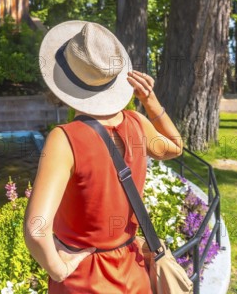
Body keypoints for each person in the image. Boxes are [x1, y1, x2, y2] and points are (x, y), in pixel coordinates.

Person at [24, 21, 183, 293]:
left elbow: (36, 231)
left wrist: (59, 270)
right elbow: (175, 147)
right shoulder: (136, 123)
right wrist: (150, 101)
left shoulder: (64, 139)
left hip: (84, 280)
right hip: (133, 273)